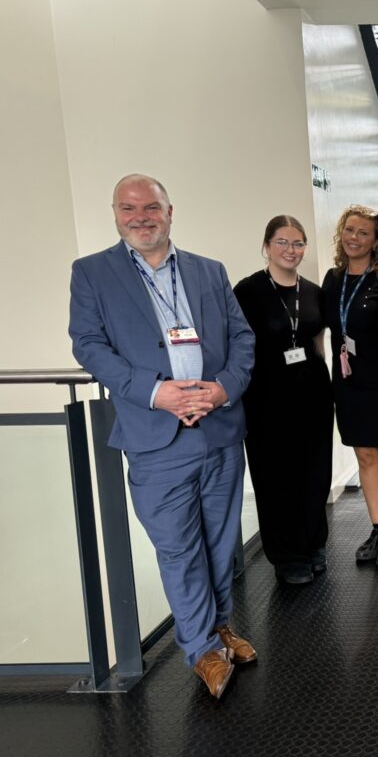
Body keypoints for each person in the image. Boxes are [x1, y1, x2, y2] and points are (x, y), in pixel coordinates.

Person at [69, 174, 256, 700]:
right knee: (178, 549)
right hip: (156, 436)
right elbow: (88, 345)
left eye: (151, 206)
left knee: (221, 542)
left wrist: (221, 390)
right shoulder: (92, 273)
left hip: (218, 428)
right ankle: (200, 648)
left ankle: (220, 628)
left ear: (170, 212)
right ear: (115, 213)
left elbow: (242, 338)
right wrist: (157, 393)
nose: (140, 216)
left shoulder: (208, 271)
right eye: (128, 208)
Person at [233, 216, 333, 586]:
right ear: (266, 246)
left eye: (298, 243)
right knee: (276, 476)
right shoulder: (248, 291)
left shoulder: (312, 291)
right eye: (283, 242)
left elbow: (317, 342)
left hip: (312, 394)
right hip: (266, 397)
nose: (291, 250)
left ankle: (312, 543)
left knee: (314, 471)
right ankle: (286, 554)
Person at [321, 205, 378, 568]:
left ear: (376, 241)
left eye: (363, 233)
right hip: (348, 382)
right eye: (350, 230)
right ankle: (377, 528)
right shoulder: (332, 279)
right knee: (365, 456)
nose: (355, 238)